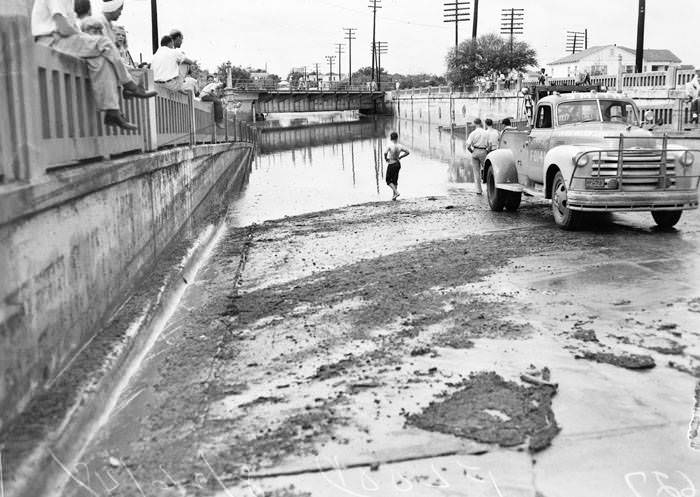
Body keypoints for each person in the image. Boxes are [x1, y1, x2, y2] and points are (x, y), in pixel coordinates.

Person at [32, 0, 156, 131]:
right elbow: (63, 27)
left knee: (101, 60)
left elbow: (70, 27)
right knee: (105, 44)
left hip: (60, 39)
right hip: (52, 40)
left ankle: (112, 111)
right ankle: (131, 86)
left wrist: (85, 39)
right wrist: (86, 39)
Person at [384, 132, 410, 201]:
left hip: (391, 163)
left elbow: (385, 153)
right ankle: (394, 197)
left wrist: (386, 158)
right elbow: (407, 152)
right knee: (395, 180)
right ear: (397, 138)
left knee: (388, 180)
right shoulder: (400, 146)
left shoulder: (389, 145)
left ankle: (396, 192)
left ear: (390, 138)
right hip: (398, 163)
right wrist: (401, 156)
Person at [465, 118, 488, 195]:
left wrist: (472, 152)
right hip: (484, 151)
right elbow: (490, 145)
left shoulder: (472, 133)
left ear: (475, 124)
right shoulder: (486, 133)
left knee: (476, 172)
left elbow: (468, 146)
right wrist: (487, 151)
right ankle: (489, 188)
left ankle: (478, 190)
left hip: (475, 151)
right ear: (481, 123)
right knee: (487, 170)